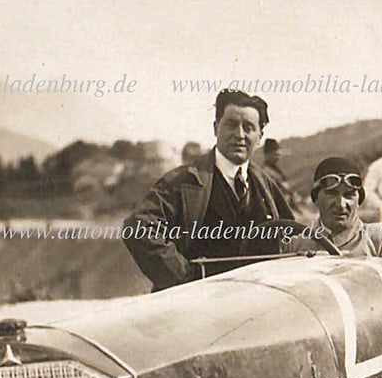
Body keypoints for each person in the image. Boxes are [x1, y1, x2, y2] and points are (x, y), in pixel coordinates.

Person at [123, 89, 293, 291]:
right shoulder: (181, 182)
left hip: (253, 307)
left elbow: (290, 239)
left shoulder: (266, 186)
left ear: (260, 136)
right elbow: (138, 228)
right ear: (215, 128)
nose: (239, 135)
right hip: (195, 310)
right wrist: (185, 277)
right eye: (231, 125)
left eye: (248, 128)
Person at [283, 156, 382, 264]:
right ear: (316, 198)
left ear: (359, 201)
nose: (341, 204)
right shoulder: (294, 246)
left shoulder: (381, 244)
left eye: (349, 195)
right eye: (332, 194)